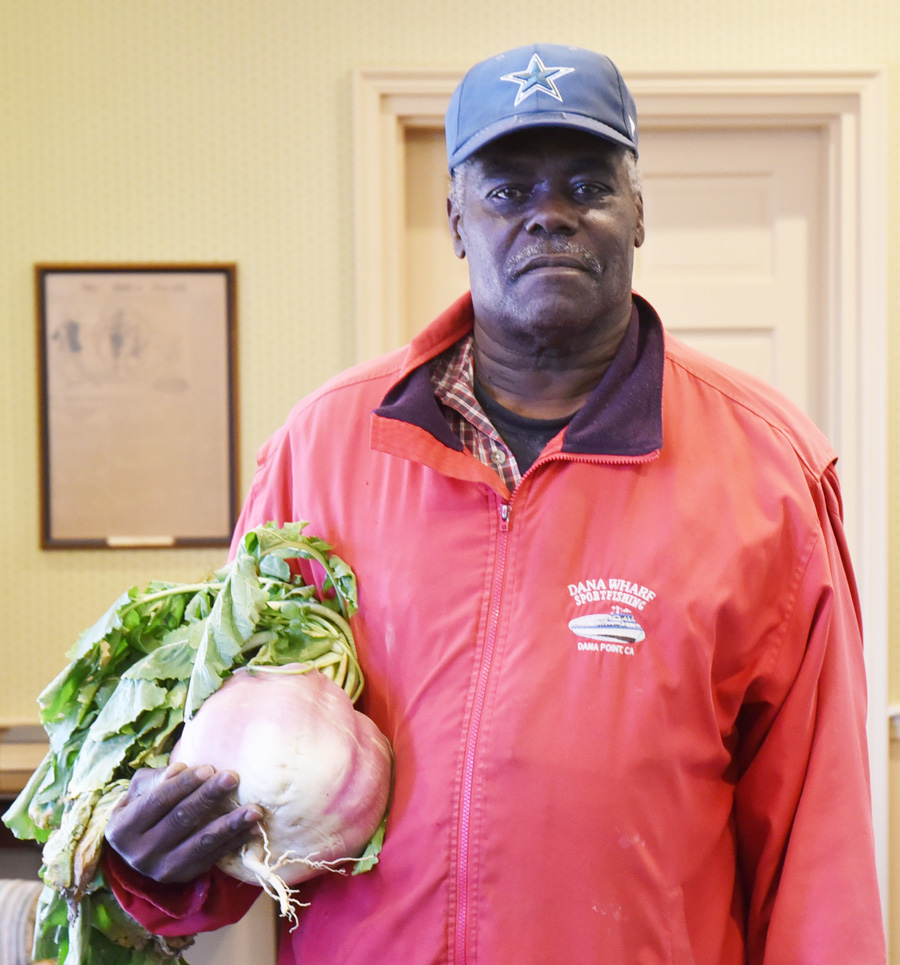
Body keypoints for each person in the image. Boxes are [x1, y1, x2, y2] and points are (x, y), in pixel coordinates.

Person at [102, 43, 886, 963]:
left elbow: (815, 836)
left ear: (639, 213)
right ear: (456, 219)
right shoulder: (318, 449)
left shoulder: (766, 468)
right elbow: (242, 801)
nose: (549, 215)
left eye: (588, 183)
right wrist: (160, 869)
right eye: (508, 190)